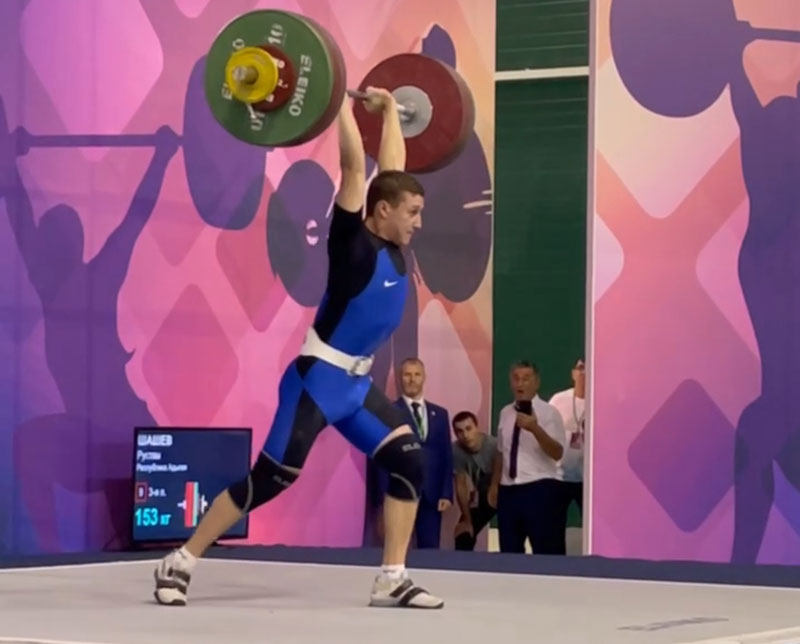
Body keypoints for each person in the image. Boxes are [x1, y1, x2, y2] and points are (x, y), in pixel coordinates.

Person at [153, 88, 443, 609]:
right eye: (414, 212)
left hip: (355, 387)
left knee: (409, 461)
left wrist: (387, 113)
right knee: (271, 479)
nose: (419, 221)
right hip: (317, 382)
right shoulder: (352, 245)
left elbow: (390, 172)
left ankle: (392, 578)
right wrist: (338, 104)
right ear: (382, 212)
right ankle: (180, 560)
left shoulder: (394, 236)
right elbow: (355, 169)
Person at [451, 411, 499, 551]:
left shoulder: (494, 445)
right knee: (463, 535)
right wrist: (467, 520)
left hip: (506, 492)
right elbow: (460, 485)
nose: (465, 435)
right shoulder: (456, 450)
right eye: (460, 431)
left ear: (477, 428)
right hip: (483, 493)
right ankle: (463, 564)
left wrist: (494, 488)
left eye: (469, 429)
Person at [549, 359, 585, 516]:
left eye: (588, 368)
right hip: (559, 477)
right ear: (573, 373)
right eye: (580, 368)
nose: (583, 372)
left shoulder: (601, 401)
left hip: (588, 480)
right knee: (553, 524)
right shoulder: (558, 400)